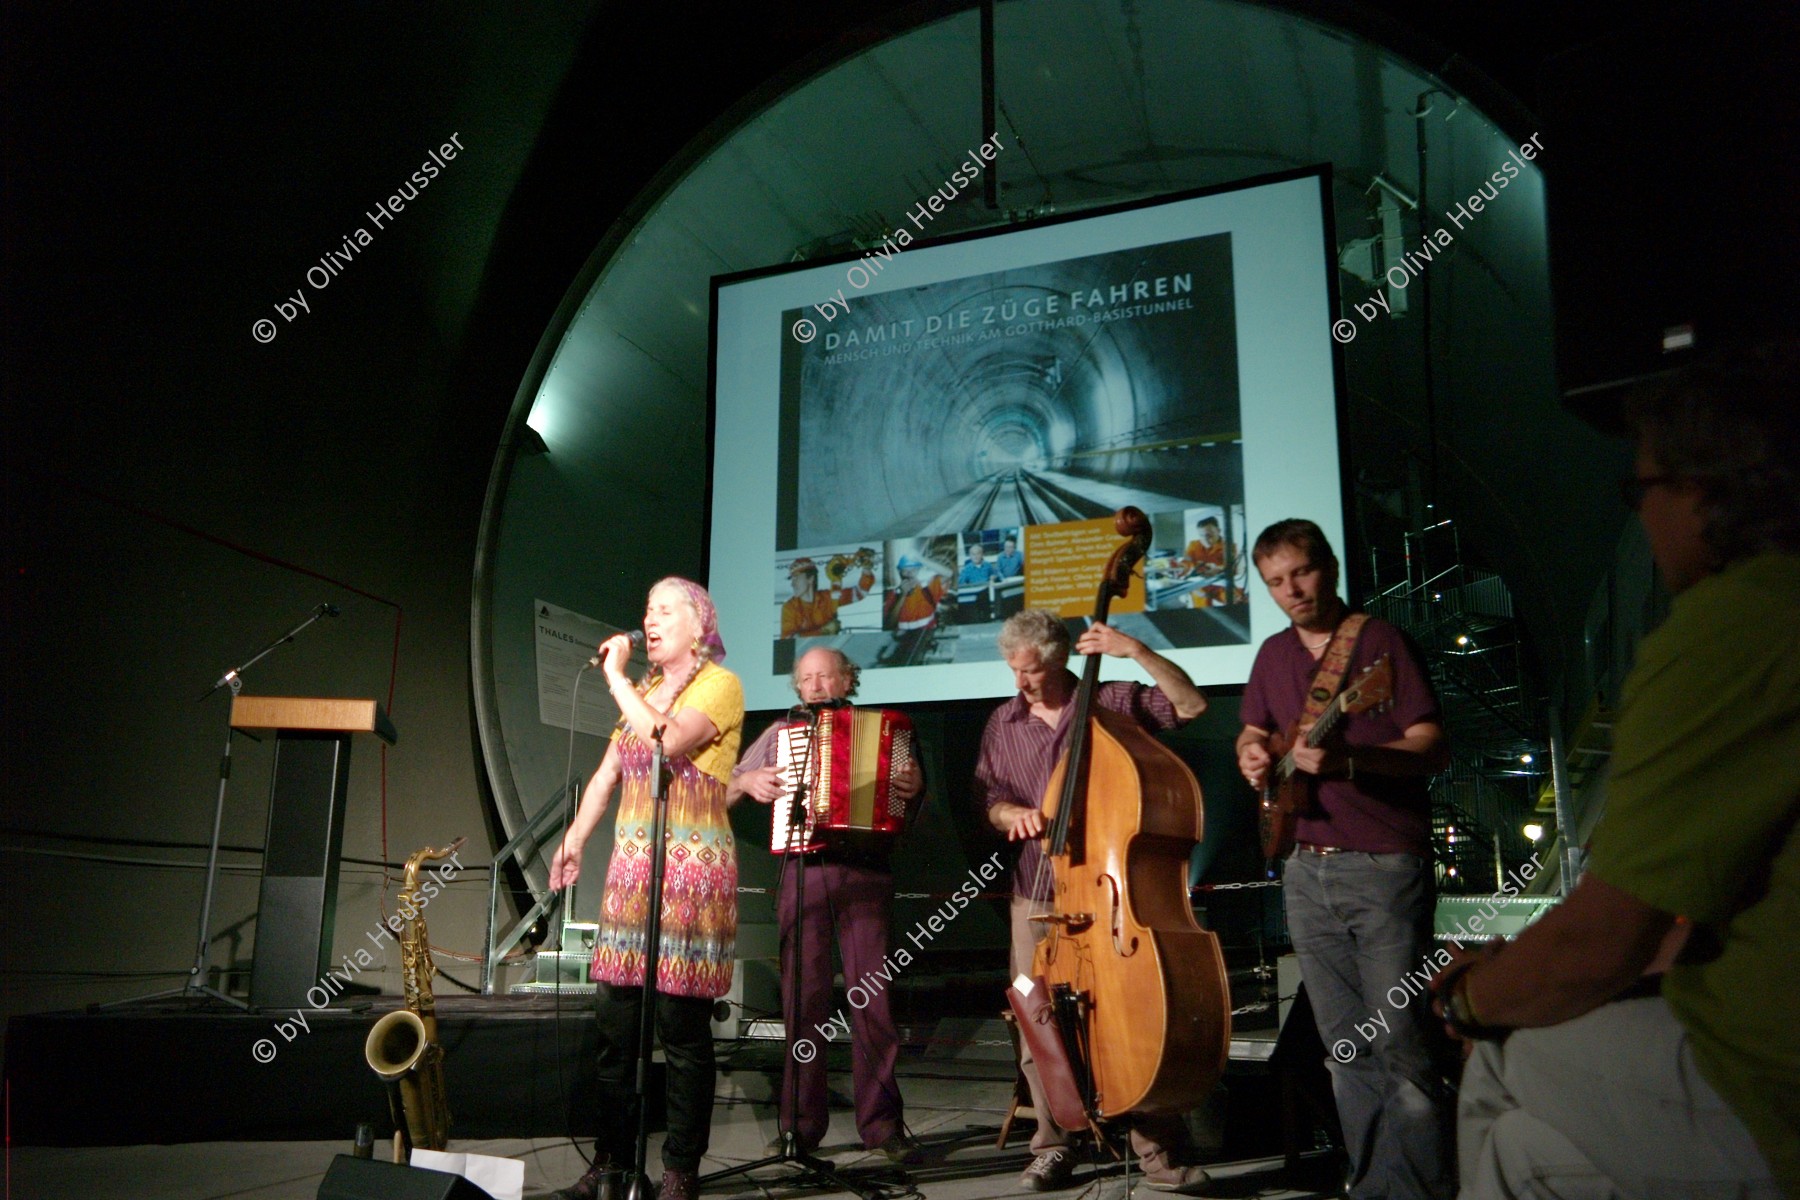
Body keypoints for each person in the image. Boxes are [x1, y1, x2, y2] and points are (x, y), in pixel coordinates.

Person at [1431, 345, 1796, 1199]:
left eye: (1642, 492)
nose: (1642, 519)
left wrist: (1466, 1000)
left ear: (1703, 494)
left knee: (1500, 1054)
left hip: (1771, 1081)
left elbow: (1602, 941)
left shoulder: (1731, 624)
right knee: (1522, 1150)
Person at [1234, 519, 1453, 1200]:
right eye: (1275, 581)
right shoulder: (1272, 654)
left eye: (1301, 572)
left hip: (1384, 863)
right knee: (1346, 1048)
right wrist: (1252, 750)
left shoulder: (1380, 644)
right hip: (1306, 864)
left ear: (1327, 565)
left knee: (1401, 1041)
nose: (1291, 590)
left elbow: (1431, 744)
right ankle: (1372, 1183)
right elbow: (1256, 725)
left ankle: (1418, 1189)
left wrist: (1352, 758)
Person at [974, 608, 1214, 1194]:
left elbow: (1189, 707)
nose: (1019, 682)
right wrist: (1011, 816)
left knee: (1134, 1018)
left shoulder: (1111, 702)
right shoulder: (1002, 722)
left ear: (1059, 661)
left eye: (1029, 671)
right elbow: (993, 799)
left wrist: (1137, 650)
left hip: (1112, 898)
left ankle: (1156, 1149)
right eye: (1013, 669)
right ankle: (1054, 1146)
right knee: (1039, 1024)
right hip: (1036, 893)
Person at [548, 578, 744, 1200]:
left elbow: (665, 739)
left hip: (691, 877)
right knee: (616, 1032)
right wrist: (575, 838)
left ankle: (680, 1169)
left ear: (697, 625)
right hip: (632, 880)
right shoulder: (646, 691)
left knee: (681, 1035)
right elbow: (608, 774)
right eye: (646, 610)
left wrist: (616, 679)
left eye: (664, 611)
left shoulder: (721, 684)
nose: (648, 620)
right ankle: (611, 1160)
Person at [726, 646, 926, 1163]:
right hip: (803, 870)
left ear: (847, 679)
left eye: (825, 675)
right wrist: (747, 780)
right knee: (803, 1003)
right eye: (806, 678)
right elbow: (725, 791)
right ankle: (799, 1127)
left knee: (872, 1005)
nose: (815, 685)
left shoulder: (887, 733)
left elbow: (907, 807)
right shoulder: (779, 735)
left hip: (866, 870)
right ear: (797, 686)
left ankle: (882, 1127)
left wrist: (912, 789)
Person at [780, 552, 873, 640]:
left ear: (810, 579)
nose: (792, 584)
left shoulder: (828, 598)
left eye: (796, 578)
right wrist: (823, 631)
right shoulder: (790, 608)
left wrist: (867, 568)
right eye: (792, 579)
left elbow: (860, 592)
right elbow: (787, 639)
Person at [959, 543, 1004, 621]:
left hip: (987, 594)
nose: (976, 556)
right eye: (973, 554)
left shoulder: (988, 565)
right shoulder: (966, 569)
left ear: (982, 554)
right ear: (970, 556)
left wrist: (994, 577)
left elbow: (998, 575)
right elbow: (960, 584)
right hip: (974, 597)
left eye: (978, 553)